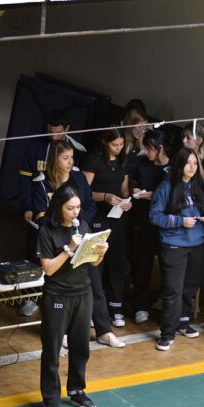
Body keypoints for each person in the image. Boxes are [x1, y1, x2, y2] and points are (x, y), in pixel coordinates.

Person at [32, 141, 124, 348]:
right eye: (65, 158)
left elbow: (89, 205)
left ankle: (104, 330)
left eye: (72, 157)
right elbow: (41, 215)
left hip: (82, 234)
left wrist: (80, 222)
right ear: (54, 160)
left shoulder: (78, 177)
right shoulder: (42, 182)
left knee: (94, 283)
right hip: (58, 239)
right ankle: (62, 331)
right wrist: (62, 225)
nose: (70, 162)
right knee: (62, 286)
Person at [36, 185, 108, 407]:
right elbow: (48, 269)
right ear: (59, 207)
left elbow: (92, 264)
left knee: (81, 346)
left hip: (82, 293)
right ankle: (50, 398)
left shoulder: (83, 226)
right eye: (70, 208)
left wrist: (100, 251)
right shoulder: (47, 231)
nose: (75, 212)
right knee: (53, 348)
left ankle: (77, 390)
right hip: (57, 295)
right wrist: (69, 249)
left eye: (78, 207)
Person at [149, 148, 204, 351]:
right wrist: (179, 221)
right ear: (179, 164)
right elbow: (154, 216)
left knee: (191, 285)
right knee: (173, 289)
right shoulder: (166, 186)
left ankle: (183, 322)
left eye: (195, 163)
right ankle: (167, 333)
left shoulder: (200, 185)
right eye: (188, 163)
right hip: (174, 244)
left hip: (198, 243)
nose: (192, 167)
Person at [18, 109, 74, 317]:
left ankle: (57, 297)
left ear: (66, 130)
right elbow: (25, 179)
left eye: (57, 132)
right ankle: (31, 296)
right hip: (39, 209)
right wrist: (27, 207)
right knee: (34, 254)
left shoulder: (75, 150)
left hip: (65, 217)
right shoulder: (34, 148)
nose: (53, 136)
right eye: (50, 131)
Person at [82, 128, 132, 327]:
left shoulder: (122, 160)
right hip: (97, 216)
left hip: (117, 216)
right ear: (105, 142)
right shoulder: (93, 160)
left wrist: (128, 200)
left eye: (121, 144)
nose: (118, 148)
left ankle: (116, 307)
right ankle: (94, 310)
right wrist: (104, 197)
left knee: (117, 262)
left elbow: (124, 188)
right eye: (114, 145)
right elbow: (85, 191)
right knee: (96, 263)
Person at [129, 128, 171, 324]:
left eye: (149, 148)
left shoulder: (173, 168)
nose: (146, 152)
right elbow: (132, 183)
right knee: (142, 265)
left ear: (159, 148)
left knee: (167, 265)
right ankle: (140, 305)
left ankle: (164, 301)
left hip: (166, 225)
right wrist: (136, 191)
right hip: (143, 221)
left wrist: (152, 195)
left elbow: (172, 196)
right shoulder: (141, 164)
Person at [181, 122, 204, 191]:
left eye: (188, 138)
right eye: (183, 137)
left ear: (199, 140)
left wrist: (197, 162)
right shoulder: (180, 154)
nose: (184, 140)